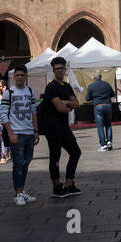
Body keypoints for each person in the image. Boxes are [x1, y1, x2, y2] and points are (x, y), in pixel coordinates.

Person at [40, 57, 83, 198]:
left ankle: (69, 184)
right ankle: (57, 187)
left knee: (75, 152)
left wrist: (65, 103)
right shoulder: (51, 87)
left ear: (65, 70)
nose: (60, 70)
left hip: (63, 127)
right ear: (53, 70)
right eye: (57, 68)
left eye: (62, 68)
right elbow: (60, 109)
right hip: (52, 127)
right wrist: (67, 103)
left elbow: (77, 104)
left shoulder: (67, 86)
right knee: (55, 155)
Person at [1, 66, 39, 206]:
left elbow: (33, 111)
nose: (19, 77)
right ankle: (18, 194)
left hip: (29, 133)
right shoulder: (9, 92)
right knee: (18, 164)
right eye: (17, 75)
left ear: (26, 76)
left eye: (22, 75)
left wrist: (36, 131)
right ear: (14, 77)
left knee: (26, 163)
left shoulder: (30, 91)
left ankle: (21, 191)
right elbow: (3, 114)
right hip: (16, 133)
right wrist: (11, 133)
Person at [86, 71, 116, 152]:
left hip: (98, 106)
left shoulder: (91, 86)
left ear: (94, 78)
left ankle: (103, 145)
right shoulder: (107, 84)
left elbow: (87, 98)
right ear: (101, 77)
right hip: (108, 104)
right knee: (108, 125)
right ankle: (109, 142)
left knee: (100, 126)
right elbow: (113, 94)